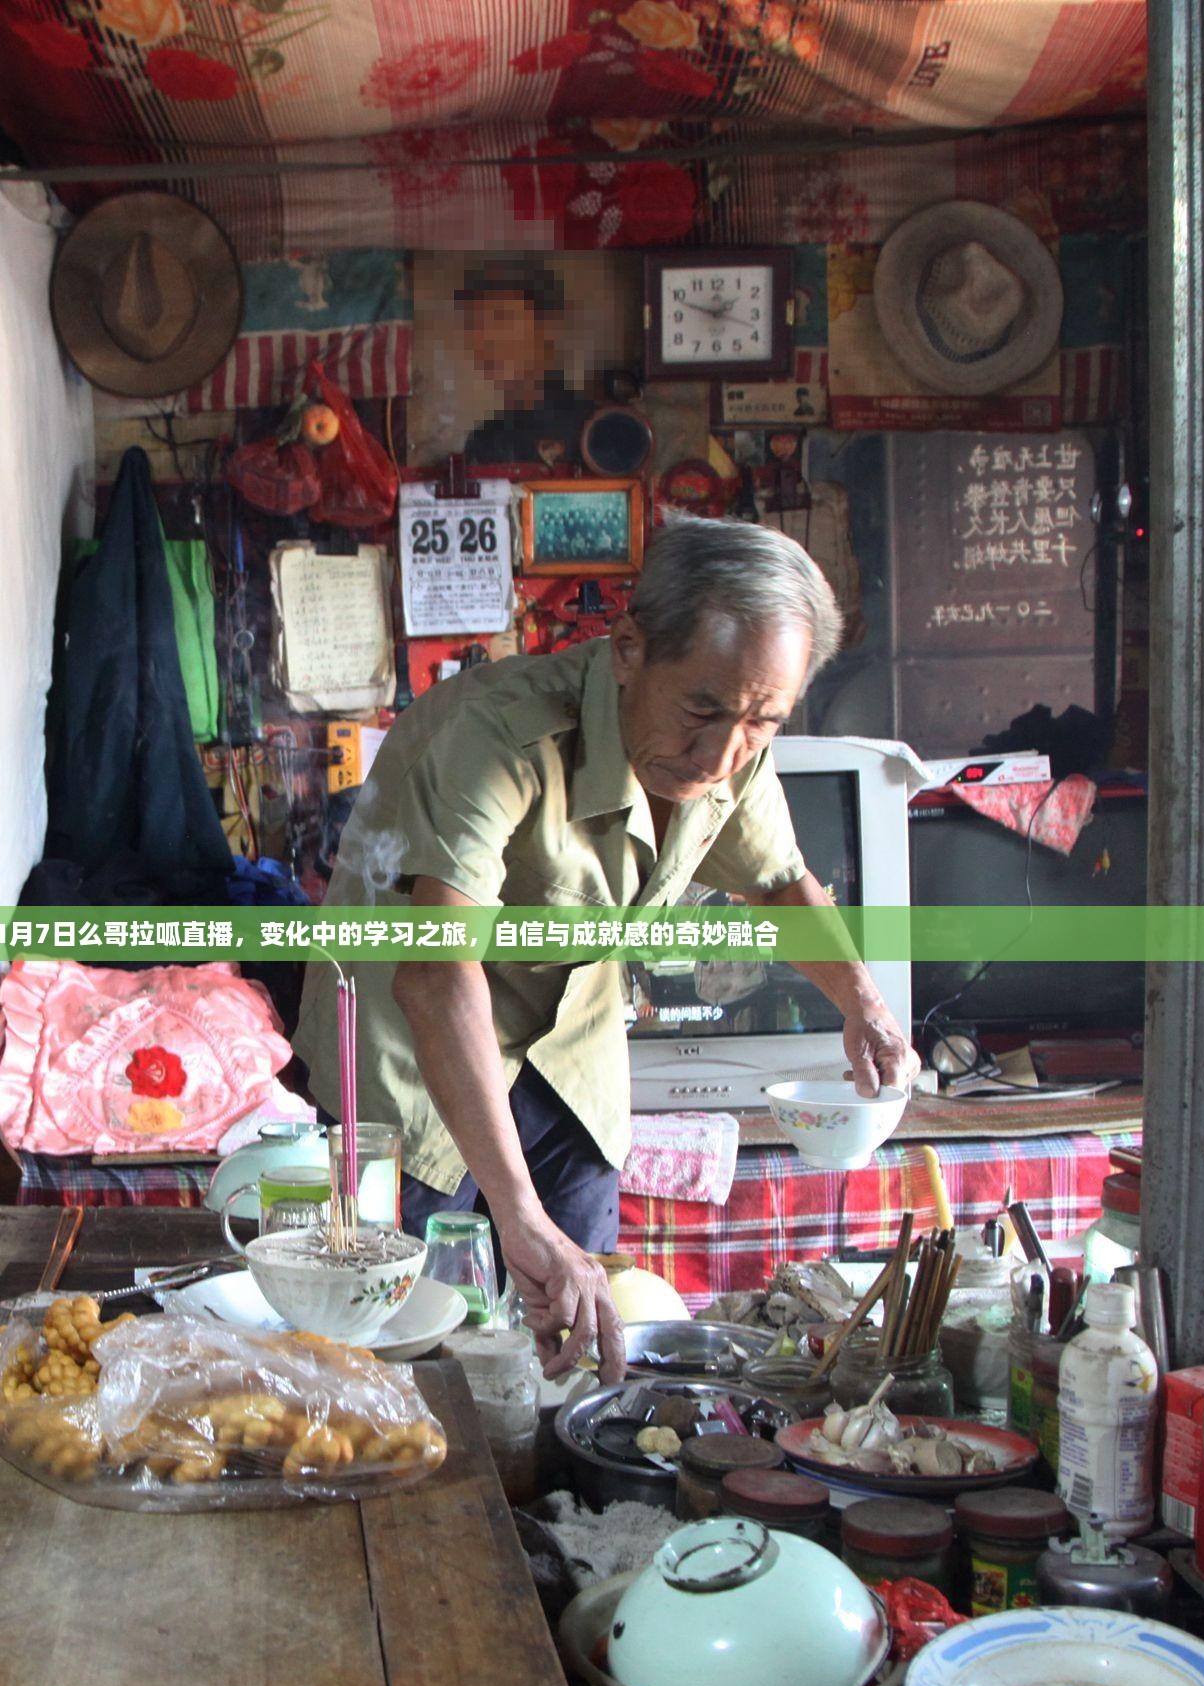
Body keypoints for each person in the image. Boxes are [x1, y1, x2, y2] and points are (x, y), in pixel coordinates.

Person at [293, 518, 917, 1378]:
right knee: (401, 1336)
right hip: (410, 1033)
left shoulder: (732, 746)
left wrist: (866, 1007)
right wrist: (518, 1215)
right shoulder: (497, 735)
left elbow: (778, 884)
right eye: (700, 710)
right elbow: (438, 979)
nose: (722, 752)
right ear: (628, 648)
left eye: (759, 722)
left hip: (565, 1034)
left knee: (582, 1319)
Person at [451, 258, 598, 471]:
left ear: (548, 325)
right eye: (476, 325)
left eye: (501, 319)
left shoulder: (592, 427)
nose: (485, 339)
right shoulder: (485, 440)